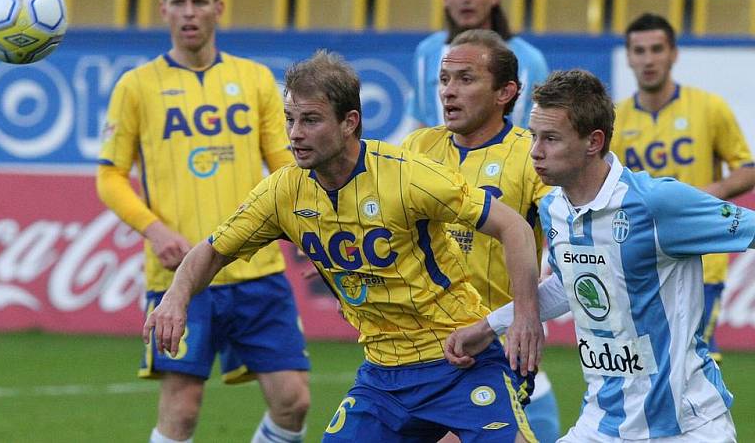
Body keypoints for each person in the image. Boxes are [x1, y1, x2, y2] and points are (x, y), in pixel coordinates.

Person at [144, 50, 545, 442]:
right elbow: (213, 250)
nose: (296, 133)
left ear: (349, 122)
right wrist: (176, 297)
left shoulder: (407, 176)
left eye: (311, 120)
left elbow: (513, 225)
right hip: (383, 376)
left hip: (458, 360)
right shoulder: (285, 191)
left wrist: (525, 314)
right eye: (290, 119)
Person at [445, 69, 755, 442]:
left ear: (593, 142)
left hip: (686, 426)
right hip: (603, 423)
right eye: (533, 137)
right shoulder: (554, 208)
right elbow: (567, 287)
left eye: (551, 139)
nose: (535, 152)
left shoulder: (656, 203)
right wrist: (487, 326)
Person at [96, 0, 310, 443]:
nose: (188, 12)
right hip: (180, 275)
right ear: (162, 10)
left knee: (293, 400)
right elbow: (109, 177)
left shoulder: (255, 80)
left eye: (198, 2)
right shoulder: (136, 86)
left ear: (219, 8)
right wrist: (155, 230)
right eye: (178, 2)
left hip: (257, 270)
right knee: (183, 407)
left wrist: (309, 230)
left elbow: (287, 168)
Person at [402, 29, 560, 443]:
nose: (448, 92)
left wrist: (529, 309)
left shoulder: (532, 156)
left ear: (505, 92)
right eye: (444, 79)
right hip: (417, 347)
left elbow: (569, 232)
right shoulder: (416, 148)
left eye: (466, 79)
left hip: (495, 347)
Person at [612, 13, 755, 363]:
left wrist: (697, 199)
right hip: (641, 262)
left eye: (657, 49)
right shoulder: (615, 119)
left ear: (673, 54)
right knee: (648, 366)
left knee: (691, 360)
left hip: (703, 260)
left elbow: (748, 170)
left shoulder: (709, 108)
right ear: (629, 57)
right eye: (640, 51)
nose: (648, 59)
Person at [405, 0, 549, 132]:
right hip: (436, 160)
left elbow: (540, 129)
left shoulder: (530, 60)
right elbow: (422, 121)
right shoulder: (426, 52)